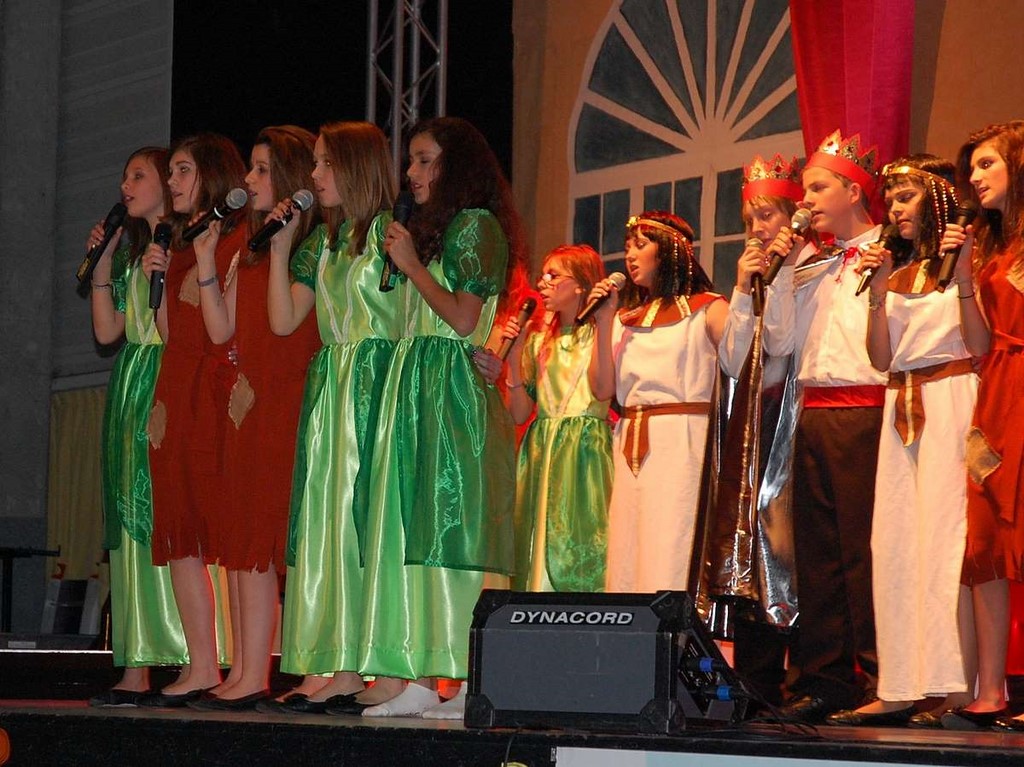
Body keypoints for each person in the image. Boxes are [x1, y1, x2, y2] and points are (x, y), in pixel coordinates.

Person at [339, 116, 524, 720]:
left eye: (424, 160)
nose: (411, 172)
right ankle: (422, 674)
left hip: (451, 390)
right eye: (411, 160)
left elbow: (466, 319)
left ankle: (467, 678)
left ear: (456, 166)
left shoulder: (476, 226)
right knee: (415, 530)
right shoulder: (440, 228)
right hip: (417, 382)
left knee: (451, 529)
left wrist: (414, 266)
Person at [823, 155, 982, 727]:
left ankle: (954, 685)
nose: (894, 208)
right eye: (890, 199)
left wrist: (963, 279)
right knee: (892, 543)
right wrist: (877, 291)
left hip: (949, 397)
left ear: (936, 201)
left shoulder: (964, 262)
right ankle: (900, 684)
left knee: (944, 541)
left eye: (906, 196)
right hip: (900, 402)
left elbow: (979, 345)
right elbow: (881, 357)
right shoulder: (897, 272)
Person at [259, 121, 401, 714]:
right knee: (332, 524)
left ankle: (379, 661)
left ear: (354, 167)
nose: (314, 175)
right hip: (333, 386)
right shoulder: (325, 241)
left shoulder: (393, 232)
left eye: (324, 163)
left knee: (370, 522)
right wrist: (281, 249)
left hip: (378, 381)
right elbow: (283, 321)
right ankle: (340, 663)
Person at [185, 126, 322, 710]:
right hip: (247, 399)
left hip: (286, 396)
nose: (248, 178)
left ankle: (260, 674)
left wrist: (278, 245)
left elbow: (287, 327)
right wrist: (206, 260)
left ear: (289, 176)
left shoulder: (309, 242)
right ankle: (244, 670)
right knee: (241, 541)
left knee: (265, 540)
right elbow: (222, 330)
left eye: (262, 169)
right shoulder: (251, 241)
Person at [764, 130, 886, 723]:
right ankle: (825, 678)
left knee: (865, 549)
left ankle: (884, 673)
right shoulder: (808, 263)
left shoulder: (889, 251)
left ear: (853, 191)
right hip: (812, 412)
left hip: (868, 410)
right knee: (818, 557)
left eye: (817, 188)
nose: (806, 199)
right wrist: (781, 272)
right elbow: (779, 343)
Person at [139, 133, 250, 706]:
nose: (173, 181)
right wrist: (155, 280)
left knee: (222, 531)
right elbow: (167, 332)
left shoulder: (233, 241)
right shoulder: (179, 243)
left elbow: (219, 331)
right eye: (173, 171)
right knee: (179, 532)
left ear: (211, 175)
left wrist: (202, 261)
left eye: (182, 170)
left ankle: (241, 666)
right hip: (174, 393)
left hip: (211, 394)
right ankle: (201, 663)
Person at [86, 147, 189, 706]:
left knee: (162, 518)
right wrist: (103, 265)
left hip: (164, 383)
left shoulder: (181, 246)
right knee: (129, 521)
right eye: (124, 175)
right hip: (131, 386)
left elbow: (180, 335)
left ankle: (185, 653)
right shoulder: (135, 253)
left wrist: (164, 275)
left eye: (138, 175)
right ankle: (135, 665)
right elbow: (109, 333)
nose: (125, 185)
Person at [586, 211, 727, 594]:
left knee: (672, 540)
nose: (629, 255)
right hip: (630, 442)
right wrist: (603, 322)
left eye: (640, 245)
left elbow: (744, 361)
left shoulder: (709, 308)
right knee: (630, 545)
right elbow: (602, 388)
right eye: (627, 247)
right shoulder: (624, 319)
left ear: (668, 250)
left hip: (683, 442)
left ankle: (676, 623)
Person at [937, 121, 1024, 732]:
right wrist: (965, 277)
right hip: (994, 388)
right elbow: (977, 342)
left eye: (987, 163)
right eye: (971, 168)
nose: (974, 177)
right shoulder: (990, 246)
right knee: (986, 538)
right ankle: (990, 691)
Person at [714, 153, 805, 707]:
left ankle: (793, 673)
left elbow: (780, 345)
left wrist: (781, 273)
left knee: (786, 548)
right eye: (750, 219)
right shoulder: (753, 276)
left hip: (793, 421)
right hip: (754, 425)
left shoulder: (806, 268)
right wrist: (743, 289)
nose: (756, 228)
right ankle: (754, 676)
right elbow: (731, 359)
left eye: (766, 215)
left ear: (793, 217)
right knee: (750, 546)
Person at [497, 244, 613, 592]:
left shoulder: (600, 332)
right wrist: (515, 354)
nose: (542, 284)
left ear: (580, 285)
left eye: (554, 275)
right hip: (541, 451)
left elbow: (602, 390)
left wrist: (603, 325)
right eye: (542, 275)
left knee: (581, 541)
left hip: (584, 452)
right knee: (535, 542)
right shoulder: (538, 343)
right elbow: (519, 412)